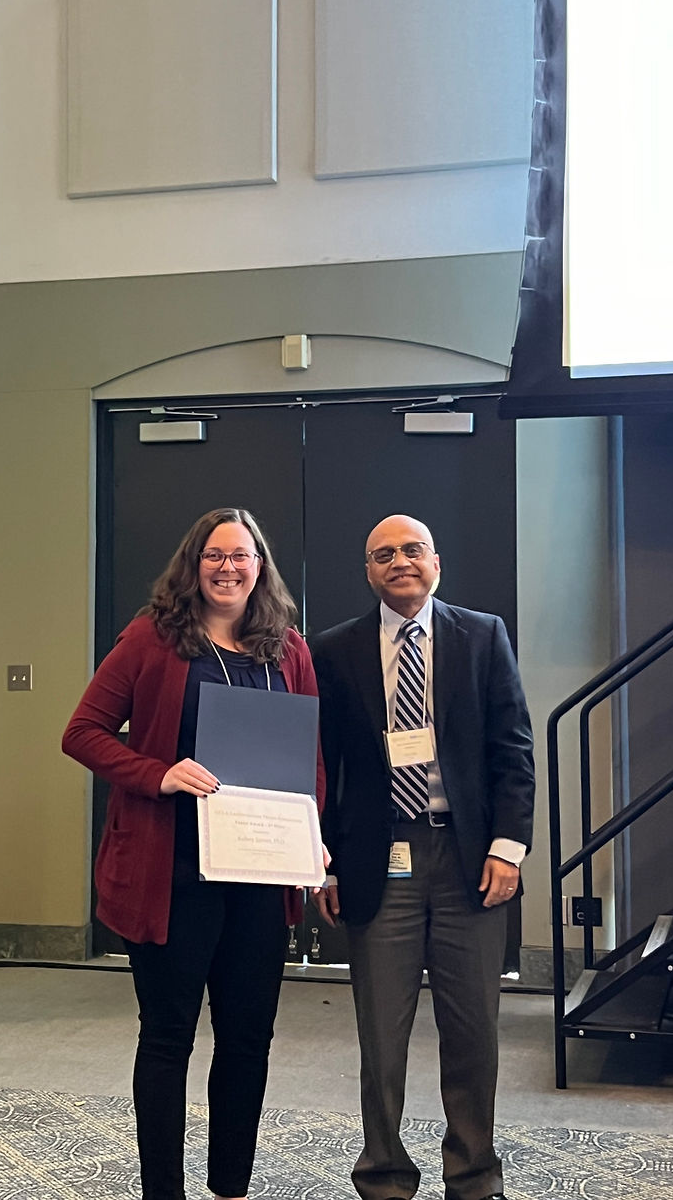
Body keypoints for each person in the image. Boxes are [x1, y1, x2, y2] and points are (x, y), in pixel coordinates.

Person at [62, 507, 324, 1200]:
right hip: (170, 872)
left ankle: (231, 1186)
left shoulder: (287, 649)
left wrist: (312, 835)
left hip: (259, 876)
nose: (228, 566)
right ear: (193, 563)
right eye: (214, 554)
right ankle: (163, 1192)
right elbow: (83, 731)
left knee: (246, 1039)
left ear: (260, 566)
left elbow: (309, 758)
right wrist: (159, 771)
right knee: (169, 1034)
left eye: (241, 555)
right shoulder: (152, 639)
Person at [309, 514, 534, 1200]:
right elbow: (321, 764)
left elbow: (513, 751)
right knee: (382, 1035)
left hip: (470, 859)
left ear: (436, 561)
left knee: (472, 1030)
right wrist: (325, 861)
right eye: (384, 554)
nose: (399, 562)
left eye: (412, 550)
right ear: (369, 570)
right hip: (381, 858)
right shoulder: (335, 648)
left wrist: (508, 846)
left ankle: (473, 1174)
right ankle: (383, 1175)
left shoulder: (482, 634)